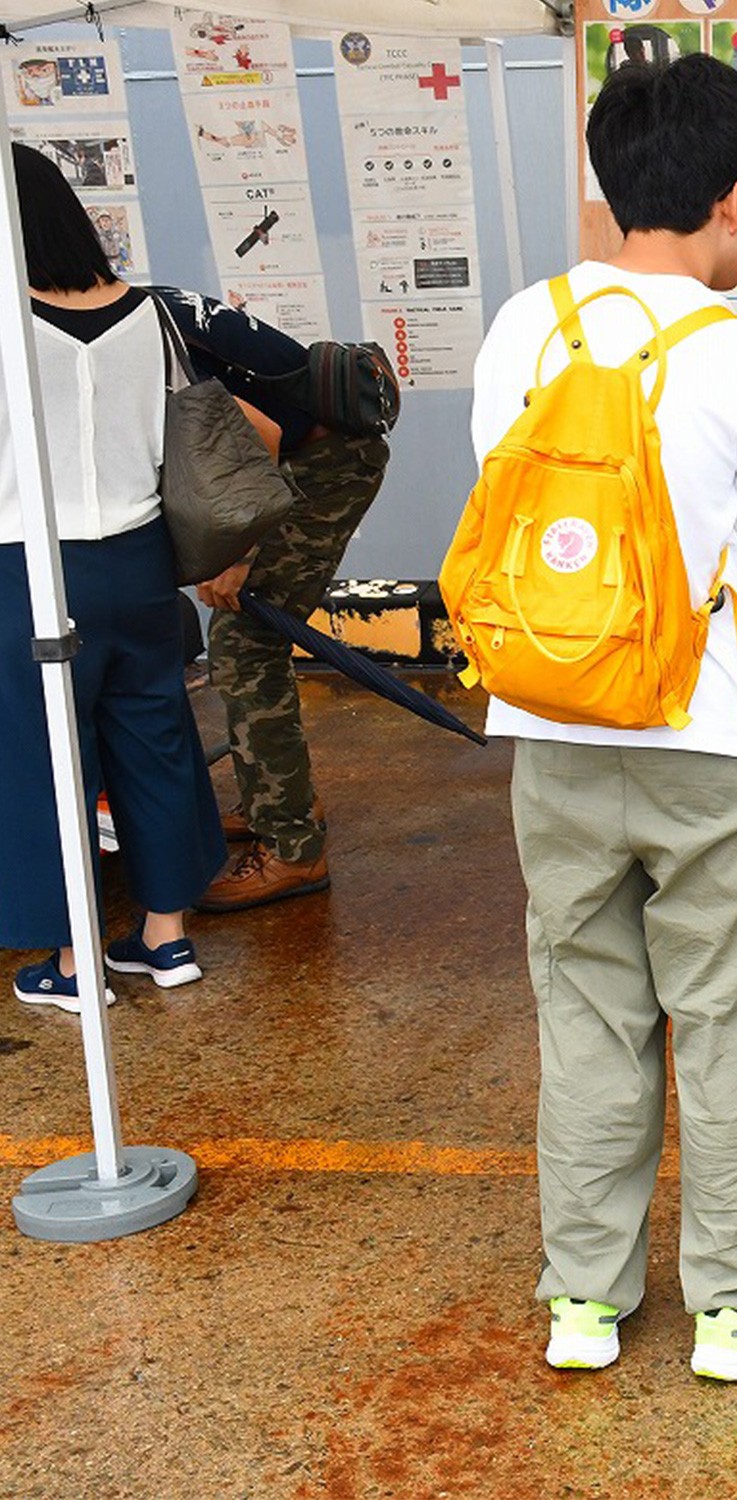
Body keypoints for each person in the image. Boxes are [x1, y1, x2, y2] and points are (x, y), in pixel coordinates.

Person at [469, 53, 737, 1382]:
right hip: (705, 742)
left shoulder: (525, 326)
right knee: (726, 1016)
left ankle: (586, 1301)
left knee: (585, 1013)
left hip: (550, 731)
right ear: (734, 201)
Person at [0, 144, 228, 1010]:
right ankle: (166, 940)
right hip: (138, 562)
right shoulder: (149, 312)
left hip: (30, 568)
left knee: (46, 762)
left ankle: (71, 956)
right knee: (156, 742)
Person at [176, 300, 391, 918]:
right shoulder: (145, 302)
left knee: (246, 645)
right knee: (244, 639)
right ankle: (272, 791)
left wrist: (237, 554)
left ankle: (293, 846)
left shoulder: (136, 334)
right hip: (305, 449)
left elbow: (260, 433)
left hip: (326, 461)